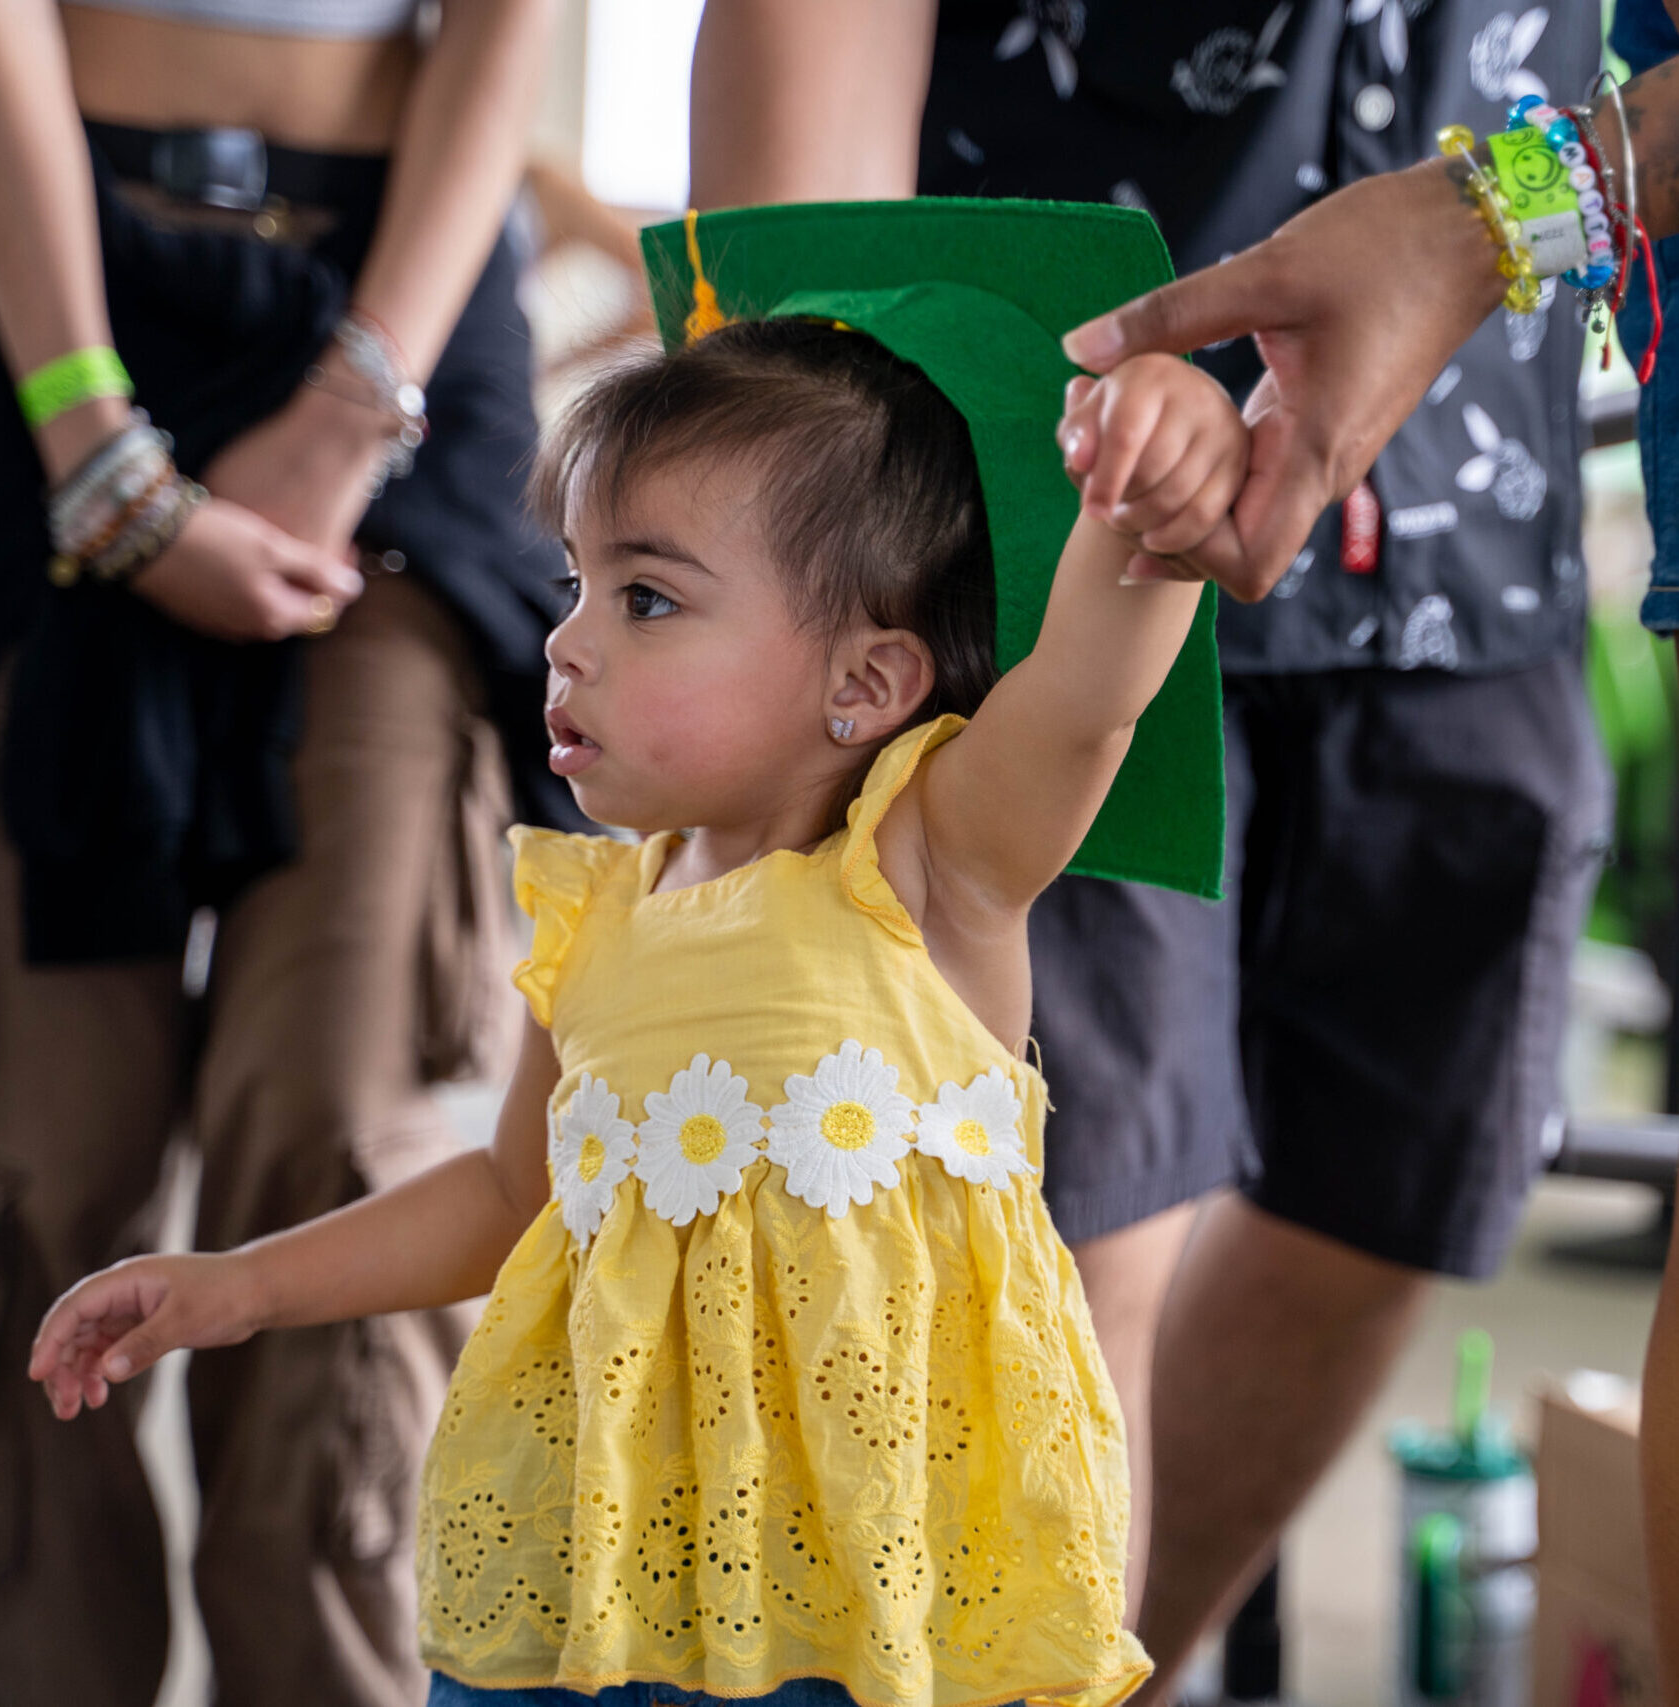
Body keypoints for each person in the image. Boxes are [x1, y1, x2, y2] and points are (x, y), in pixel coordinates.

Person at [29, 197, 1242, 1707]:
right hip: (605, 1571)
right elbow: (503, 1198)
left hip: (861, 1595)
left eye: (649, 598)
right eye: (577, 588)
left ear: (868, 681)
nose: (568, 641)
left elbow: (1088, 694)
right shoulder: (604, 913)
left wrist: (1155, 502)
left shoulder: (931, 867)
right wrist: (244, 1286)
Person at [690, 3, 1611, 1689]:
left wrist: (1527, 210)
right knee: (1066, 1232)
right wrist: (793, 513)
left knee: (1394, 1191)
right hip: (1045, 504)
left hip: (1476, 510)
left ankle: (1113, 1668)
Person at [0, 4, 563, 1704]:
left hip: (404, 305)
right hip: (37, 281)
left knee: (338, 1143)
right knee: (32, 1176)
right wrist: (92, 444)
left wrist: (356, 403)